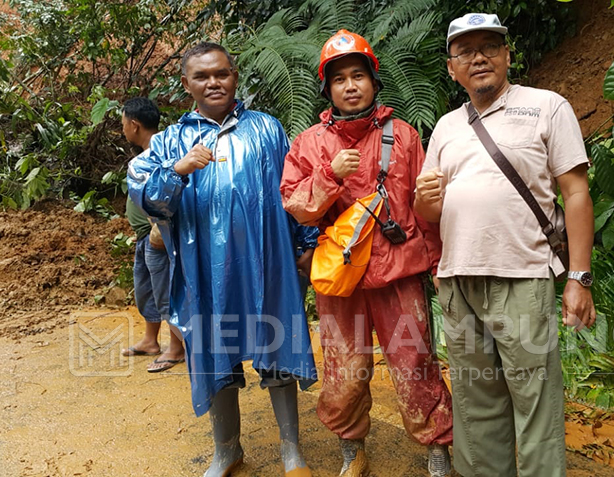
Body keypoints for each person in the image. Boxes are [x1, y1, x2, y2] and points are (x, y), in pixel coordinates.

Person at [414, 13, 596, 477]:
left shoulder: (546, 106)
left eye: (490, 46)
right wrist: (424, 202)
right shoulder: (446, 128)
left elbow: (575, 193)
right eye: (466, 51)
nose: (479, 57)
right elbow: (433, 213)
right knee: (477, 406)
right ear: (451, 67)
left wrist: (579, 277)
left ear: (508, 56)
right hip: (458, 282)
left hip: (523, 276)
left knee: (535, 402)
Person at [127, 42, 317, 477]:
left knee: (277, 344)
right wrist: (178, 169)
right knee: (214, 352)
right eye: (202, 76)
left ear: (235, 75)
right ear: (186, 84)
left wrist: (306, 242)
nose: (213, 82)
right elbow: (144, 196)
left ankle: (292, 452)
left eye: (222, 73)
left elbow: (293, 187)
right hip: (205, 270)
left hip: (267, 262)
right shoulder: (172, 140)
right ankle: (226, 451)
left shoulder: (267, 129)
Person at [281, 29, 453, 477]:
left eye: (358, 75)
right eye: (339, 79)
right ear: (328, 89)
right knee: (344, 367)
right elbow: (297, 206)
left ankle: (437, 451)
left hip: (400, 273)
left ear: (374, 82)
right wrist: (328, 175)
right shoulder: (310, 144)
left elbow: (426, 210)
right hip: (341, 277)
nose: (350, 86)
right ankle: (351, 448)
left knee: (415, 361)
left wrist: (437, 266)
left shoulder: (406, 136)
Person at [120, 97, 186, 373]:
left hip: (158, 237)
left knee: (166, 293)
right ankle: (150, 340)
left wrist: (159, 229)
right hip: (144, 236)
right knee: (146, 289)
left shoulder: (162, 153)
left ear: (134, 125)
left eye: (123, 123)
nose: (122, 129)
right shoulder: (144, 154)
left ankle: (177, 348)